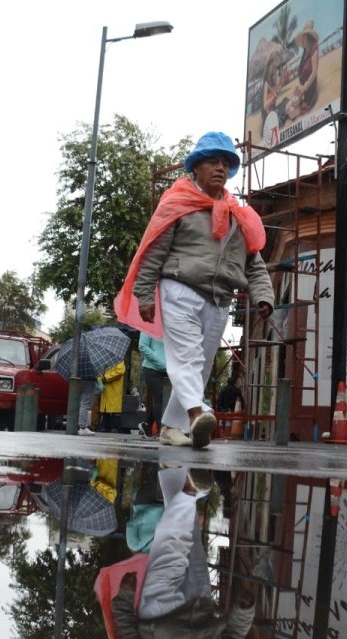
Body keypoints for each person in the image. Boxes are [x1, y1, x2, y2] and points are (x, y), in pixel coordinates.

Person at [114, 131, 274, 449]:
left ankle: (172, 428)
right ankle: (196, 414)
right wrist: (145, 295)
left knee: (200, 366)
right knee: (185, 356)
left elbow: (254, 262)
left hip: (219, 298)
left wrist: (264, 296)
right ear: (196, 168)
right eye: (212, 161)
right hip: (179, 289)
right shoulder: (178, 205)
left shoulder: (238, 215)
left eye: (225, 163)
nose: (220, 168)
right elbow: (153, 252)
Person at [109, 466, 255, 639]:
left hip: (158, 616)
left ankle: (190, 490)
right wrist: (244, 611)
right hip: (200, 607)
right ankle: (176, 473)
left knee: (171, 548)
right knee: (191, 536)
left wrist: (124, 599)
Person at [138, 333, 168, 439]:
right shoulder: (149, 322)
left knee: (166, 399)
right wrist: (158, 360)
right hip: (152, 368)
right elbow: (142, 345)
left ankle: (147, 424)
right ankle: (163, 430)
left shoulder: (170, 323)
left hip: (170, 368)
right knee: (159, 397)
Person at [98, 361, 126, 432]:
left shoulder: (119, 361)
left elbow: (119, 372)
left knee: (114, 409)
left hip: (114, 388)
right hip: (106, 388)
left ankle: (115, 427)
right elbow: (98, 372)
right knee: (106, 409)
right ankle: (105, 426)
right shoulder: (104, 361)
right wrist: (99, 380)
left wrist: (104, 378)